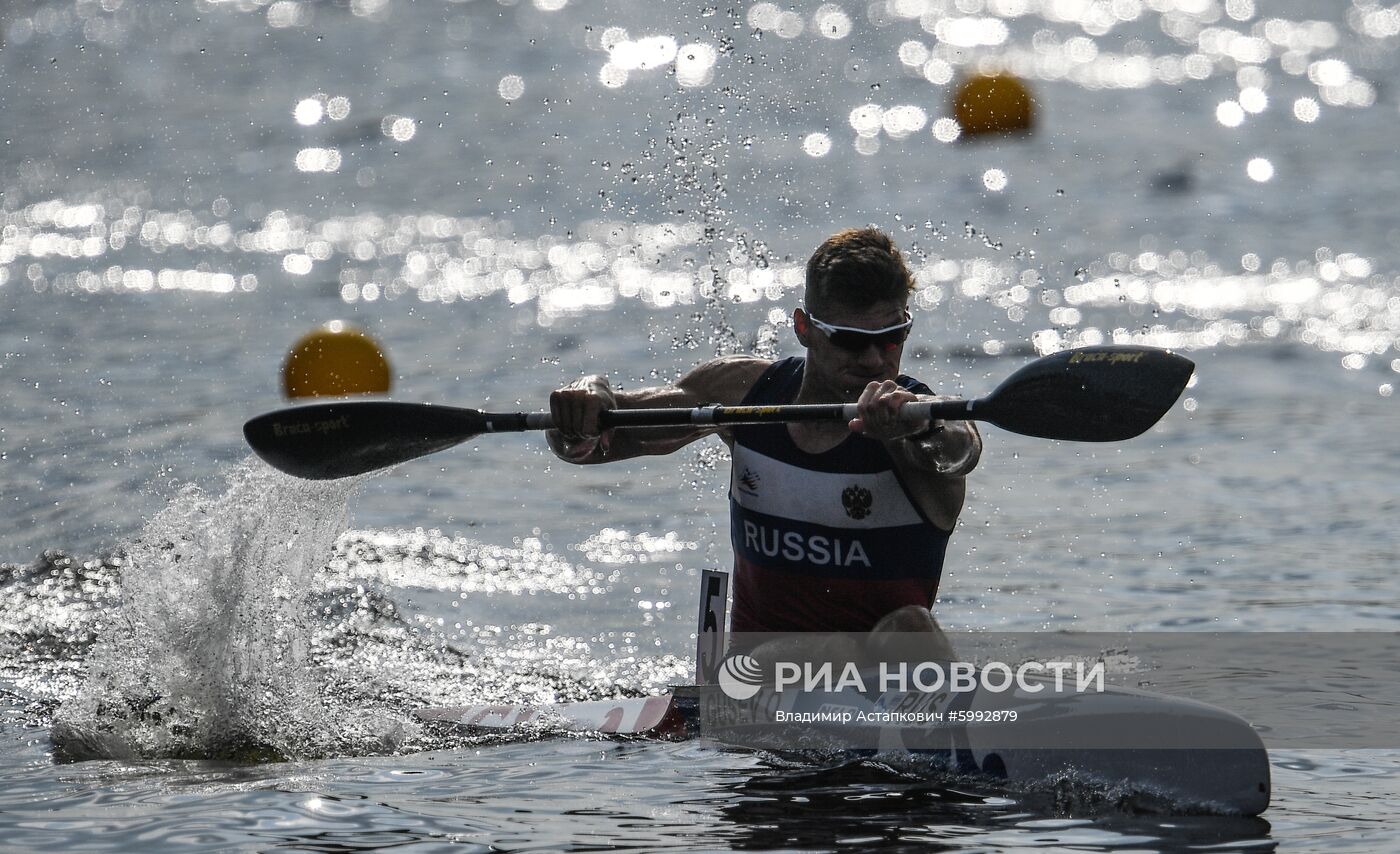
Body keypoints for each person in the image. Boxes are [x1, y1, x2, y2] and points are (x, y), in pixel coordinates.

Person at [548, 227, 980, 660]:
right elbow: (590, 442)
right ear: (804, 327)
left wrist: (915, 426)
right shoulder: (744, 394)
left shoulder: (922, 421)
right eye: (849, 339)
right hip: (755, 684)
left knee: (909, 629)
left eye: (891, 337)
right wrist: (585, 401)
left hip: (878, 689)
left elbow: (962, 449)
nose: (873, 360)